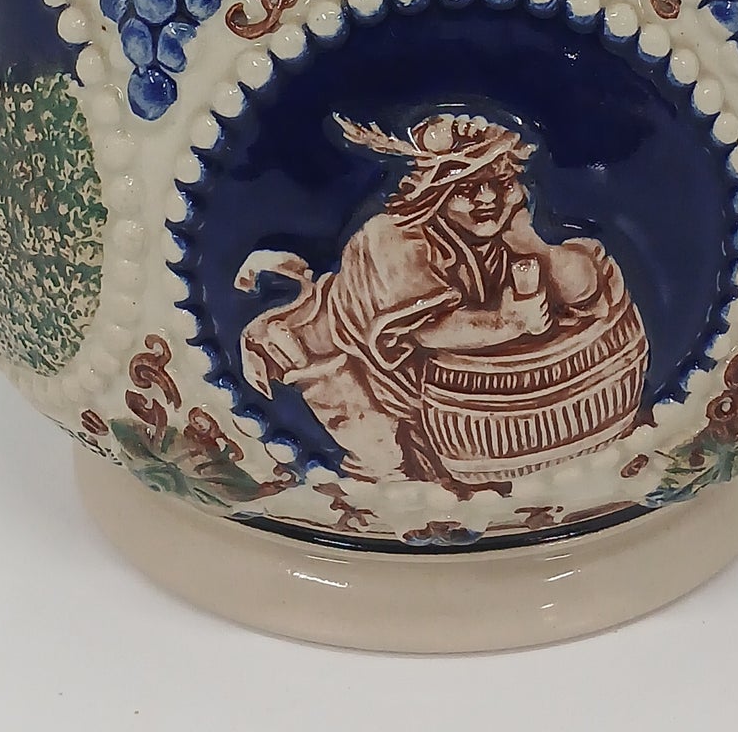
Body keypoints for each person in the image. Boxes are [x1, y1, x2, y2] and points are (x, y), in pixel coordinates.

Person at [236, 111, 632, 483]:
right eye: (466, 189)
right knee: (385, 463)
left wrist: (535, 245)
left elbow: (589, 288)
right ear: (434, 194)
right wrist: (509, 321)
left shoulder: (506, 231)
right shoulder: (393, 238)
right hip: (352, 367)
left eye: (502, 182)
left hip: (429, 388)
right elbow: (430, 330)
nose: (488, 198)